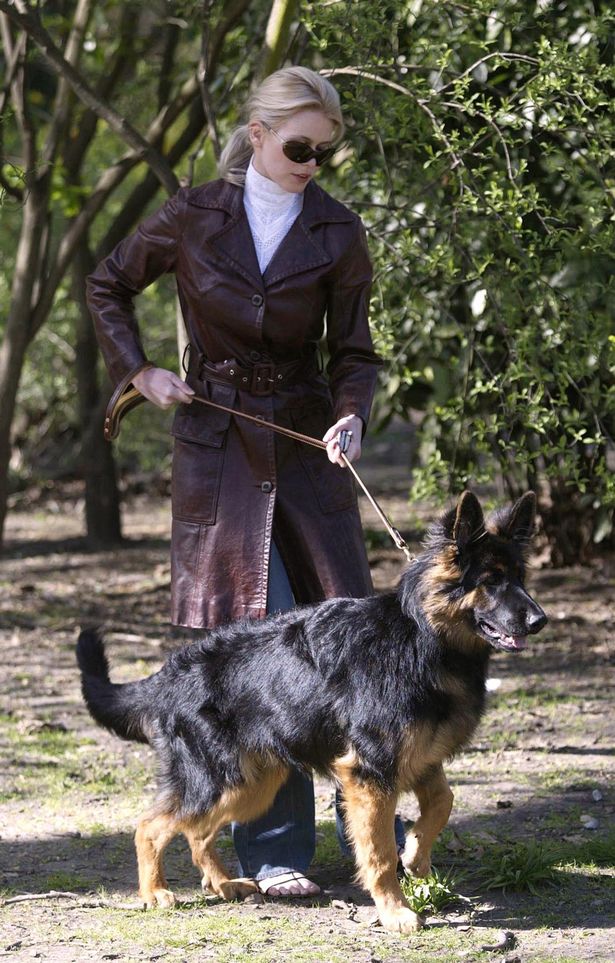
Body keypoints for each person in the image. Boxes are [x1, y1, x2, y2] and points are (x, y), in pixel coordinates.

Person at [86, 66, 404, 899]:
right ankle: (277, 852)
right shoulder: (193, 214)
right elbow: (107, 283)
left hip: (305, 444)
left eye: (324, 152)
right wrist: (141, 371)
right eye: (299, 147)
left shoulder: (337, 231)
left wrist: (351, 412)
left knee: (340, 638)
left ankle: (377, 828)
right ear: (257, 134)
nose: (311, 165)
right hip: (218, 449)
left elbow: (356, 351)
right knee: (256, 642)